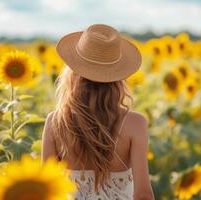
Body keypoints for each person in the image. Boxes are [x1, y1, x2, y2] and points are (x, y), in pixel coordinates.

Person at [42, 24, 154, 200]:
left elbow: (47, 190)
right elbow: (143, 194)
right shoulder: (134, 124)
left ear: (72, 73)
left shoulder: (56, 122)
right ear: (118, 76)